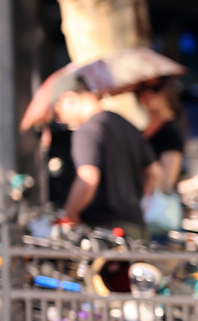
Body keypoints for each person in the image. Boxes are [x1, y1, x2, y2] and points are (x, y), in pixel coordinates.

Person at [50, 72, 162, 240]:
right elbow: (154, 171)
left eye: (59, 113)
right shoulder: (125, 124)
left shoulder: (87, 131)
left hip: (105, 230)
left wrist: (70, 213)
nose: (62, 120)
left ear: (69, 99)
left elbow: (88, 177)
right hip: (137, 227)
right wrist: (140, 202)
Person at [136, 78, 185, 191]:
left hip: (154, 203)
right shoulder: (140, 130)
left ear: (167, 90)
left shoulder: (171, 130)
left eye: (155, 88)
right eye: (141, 88)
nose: (147, 94)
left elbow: (166, 181)